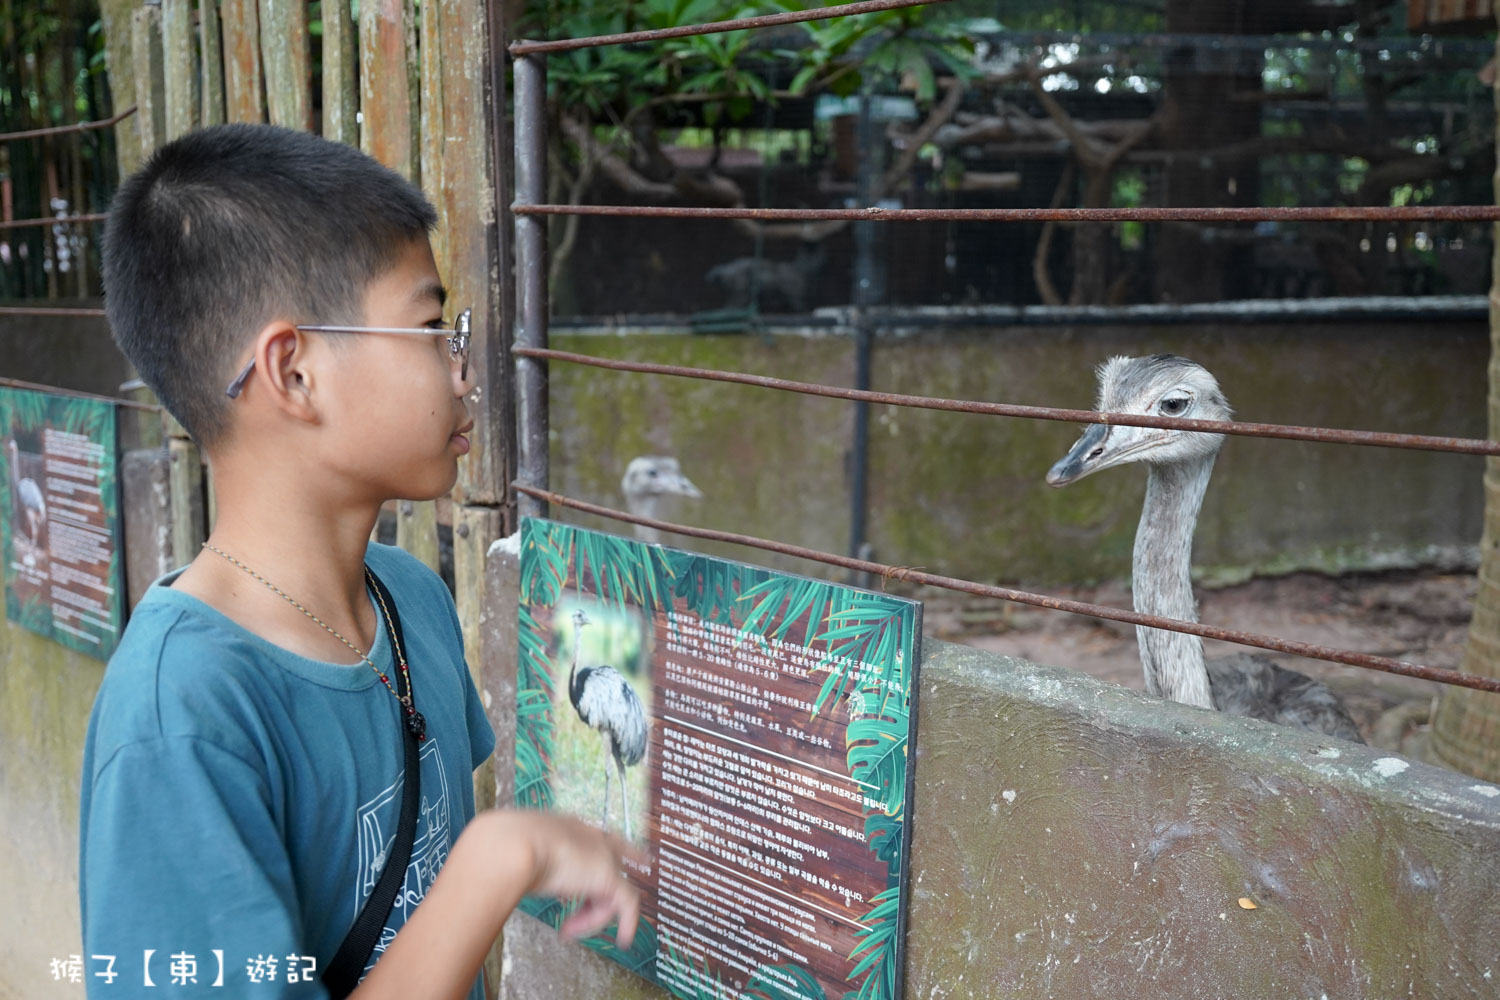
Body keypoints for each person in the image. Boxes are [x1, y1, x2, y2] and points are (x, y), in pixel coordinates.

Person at [80, 123, 638, 998]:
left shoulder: (412, 599)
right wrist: (500, 858)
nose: (463, 371)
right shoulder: (178, 718)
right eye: (428, 326)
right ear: (294, 372)